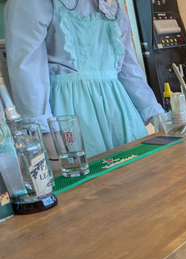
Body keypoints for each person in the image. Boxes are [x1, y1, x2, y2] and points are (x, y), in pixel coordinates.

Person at [5, 0, 163, 159]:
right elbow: (27, 69)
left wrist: (154, 112)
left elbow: (128, 65)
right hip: (68, 111)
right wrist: (44, 131)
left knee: (138, 167)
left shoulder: (110, 5)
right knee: (89, 171)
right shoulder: (31, 3)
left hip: (121, 108)